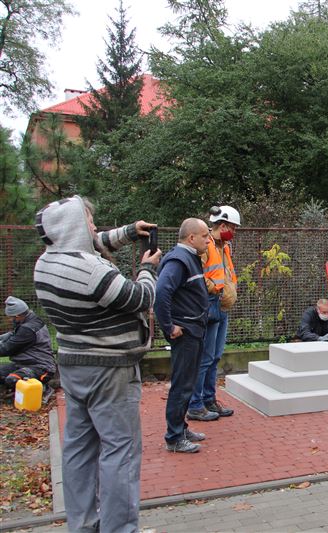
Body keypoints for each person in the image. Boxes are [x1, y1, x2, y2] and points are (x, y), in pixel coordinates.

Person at [33, 195, 159, 533]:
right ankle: (119, 528)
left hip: (74, 366)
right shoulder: (91, 272)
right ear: (74, 226)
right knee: (120, 451)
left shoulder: (47, 262)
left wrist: (129, 232)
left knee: (79, 449)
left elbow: (93, 242)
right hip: (110, 371)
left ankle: (83, 525)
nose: (93, 226)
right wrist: (148, 269)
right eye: (88, 220)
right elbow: (141, 298)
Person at [154, 218, 213, 453]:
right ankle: (174, 437)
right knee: (181, 385)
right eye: (205, 236)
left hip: (194, 330)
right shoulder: (178, 260)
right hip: (185, 333)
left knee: (187, 383)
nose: (208, 241)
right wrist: (169, 327)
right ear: (191, 238)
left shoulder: (190, 258)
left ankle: (181, 428)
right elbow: (161, 292)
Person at [187, 205, 240, 422]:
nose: (234, 232)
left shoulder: (223, 246)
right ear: (223, 225)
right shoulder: (206, 244)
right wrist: (215, 289)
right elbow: (198, 273)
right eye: (233, 228)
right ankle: (195, 405)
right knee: (205, 358)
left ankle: (209, 400)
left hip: (221, 306)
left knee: (215, 356)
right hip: (210, 304)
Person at [0, 296, 56, 402]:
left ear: (18, 315)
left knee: (13, 379)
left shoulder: (28, 329)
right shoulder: (30, 319)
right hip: (23, 364)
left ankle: (44, 389)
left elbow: (6, 348)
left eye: (11, 317)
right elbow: (12, 335)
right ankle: (10, 393)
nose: (10, 320)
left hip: (41, 367)